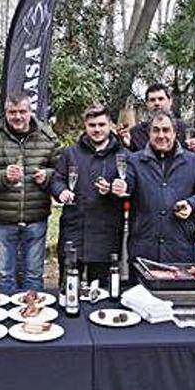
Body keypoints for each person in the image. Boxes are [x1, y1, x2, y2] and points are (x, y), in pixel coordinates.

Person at [0, 95, 60, 294]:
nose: (17, 117)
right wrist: (4, 176)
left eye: (22, 112)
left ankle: (33, 316)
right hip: (3, 219)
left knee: (33, 273)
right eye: (12, 112)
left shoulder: (48, 137)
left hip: (35, 217)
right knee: (4, 274)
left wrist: (47, 175)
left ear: (30, 111)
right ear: (5, 113)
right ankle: (7, 319)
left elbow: (62, 171)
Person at [112, 110, 195, 273]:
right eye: (156, 130)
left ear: (174, 133)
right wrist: (121, 187)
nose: (161, 135)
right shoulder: (135, 161)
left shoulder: (193, 161)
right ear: (149, 133)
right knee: (140, 296)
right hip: (143, 247)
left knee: (177, 295)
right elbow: (127, 185)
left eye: (166, 130)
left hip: (179, 247)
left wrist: (191, 204)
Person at [50, 105, 126, 286]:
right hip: (74, 229)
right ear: (85, 126)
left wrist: (115, 188)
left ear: (110, 125)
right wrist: (61, 191)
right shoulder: (71, 153)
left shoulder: (122, 154)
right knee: (68, 286)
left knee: (100, 290)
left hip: (106, 233)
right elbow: (56, 179)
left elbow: (130, 182)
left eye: (102, 124)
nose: (97, 129)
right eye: (92, 125)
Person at [117, 83, 195, 154]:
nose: (157, 103)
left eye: (161, 99)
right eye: (152, 100)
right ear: (147, 104)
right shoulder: (136, 132)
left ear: (170, 101)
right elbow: (131, 161)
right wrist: (127, 145)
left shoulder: (184, 128)